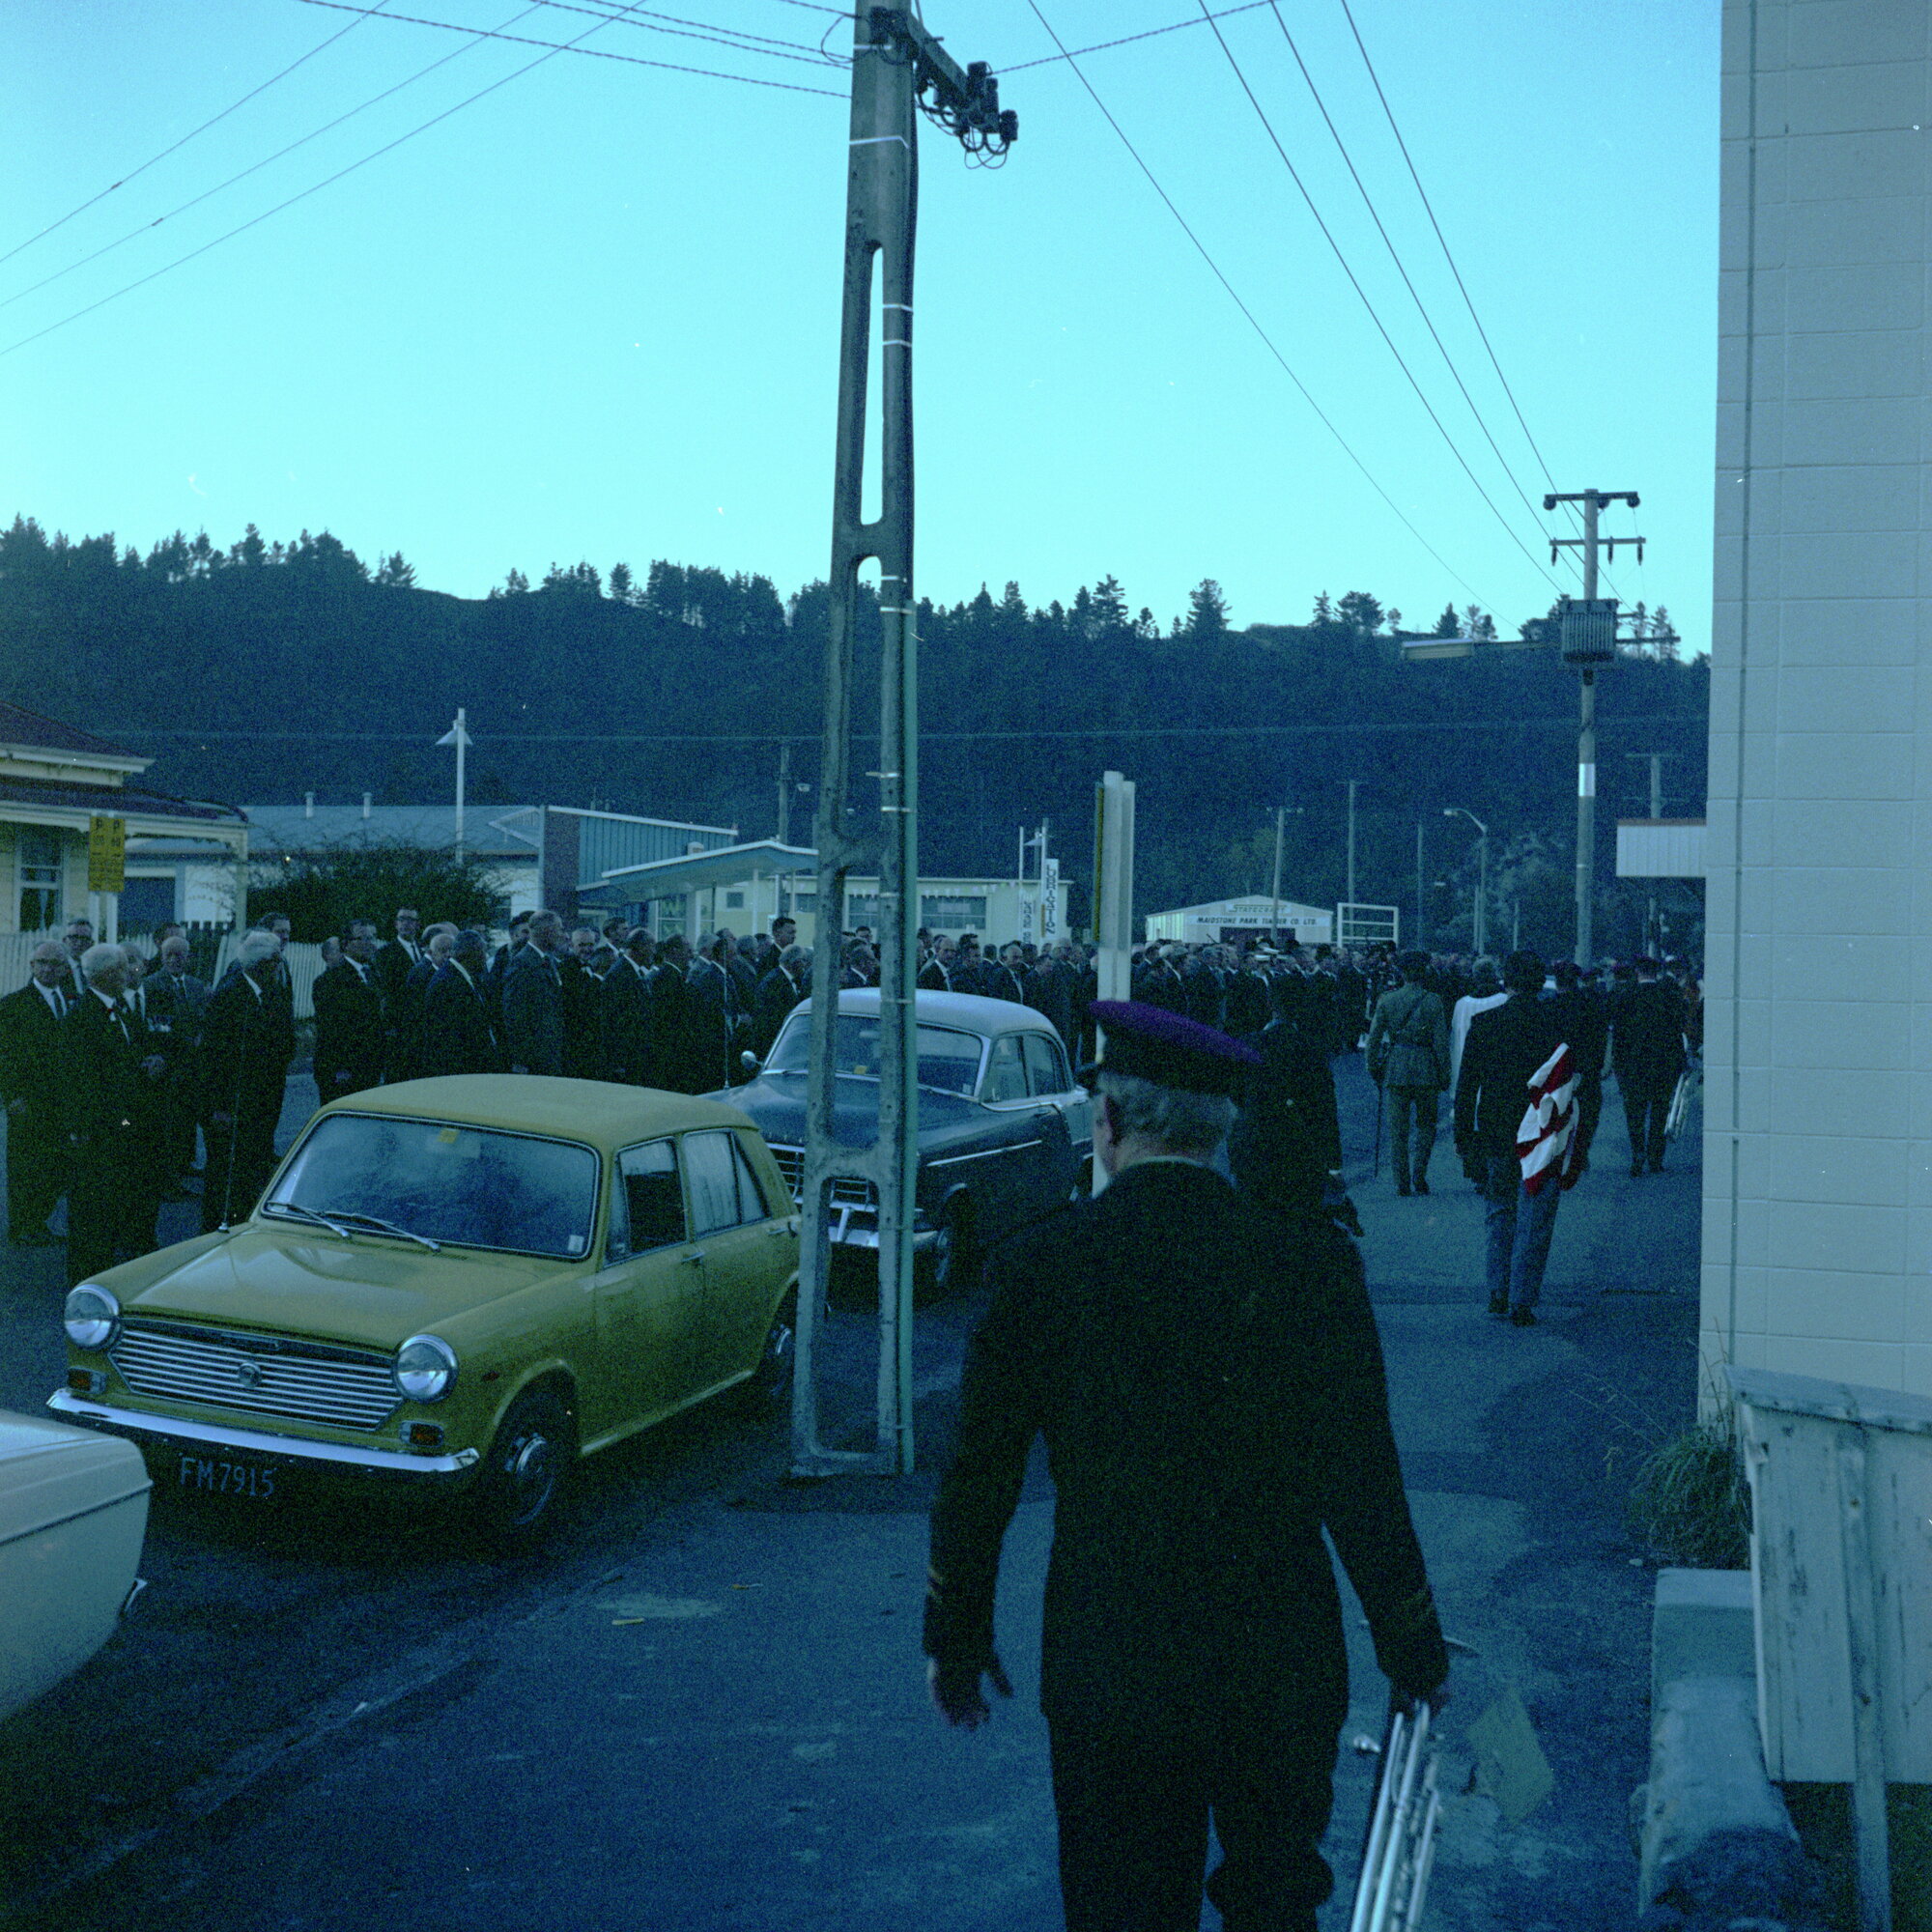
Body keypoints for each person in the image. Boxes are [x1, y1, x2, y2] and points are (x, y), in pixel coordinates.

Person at [926, 1001, 1448, 1932]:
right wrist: (1413, 1647)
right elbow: (1366, 1485)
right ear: (1223, 1132)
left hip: (1111, 1659)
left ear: (1111, 1123)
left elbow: (980, 1477)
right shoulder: (1312, 1271)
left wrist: (957, 1636)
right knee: (1276, 1902)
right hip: (1280, 1659)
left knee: (1120, 1906)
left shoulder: (1041, 1268)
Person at [1453, 951, 1577, 1325]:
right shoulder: (1556, 1023)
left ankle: (1497, 1290)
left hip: (1494, 1129)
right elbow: (1571, 1086)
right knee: (1536, 1216)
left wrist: (1464, 1140)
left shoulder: (1485, 1023)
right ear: (1541, 981)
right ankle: (1523, 1299)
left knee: (1499, 1210)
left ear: (1505, 980)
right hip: (1543, 1131)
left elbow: (1466, 1088)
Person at [61, 944, 166, 1285]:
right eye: (122, 968)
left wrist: (149, 1062)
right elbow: (81, 1080)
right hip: (105, 1127)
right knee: (94, 1205)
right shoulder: (83, 1016)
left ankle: (111, 1268)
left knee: (120, 1198)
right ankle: (88, 1277)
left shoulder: (120, 1008)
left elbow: (129, 1056)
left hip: (126, 1122)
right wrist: (93, 1127)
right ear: (105, 975)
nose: (130, 973)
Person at [199, 928, 297, 1232]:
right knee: (226, 1172)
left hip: (262, 1100)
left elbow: (283, 1041)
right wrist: (219, 1106)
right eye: (275, 962)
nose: (280, 968)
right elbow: (214, 1058)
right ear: (261, 964)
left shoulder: (272, 994)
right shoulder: (230, 995)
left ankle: (242, 1221)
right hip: (232, 1105)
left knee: (252, 1165)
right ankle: (217, 1226)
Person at [0, 940, 74, 1245]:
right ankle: (23, 1225)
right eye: (42, 962)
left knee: (57, 1164)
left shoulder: (71, 1001)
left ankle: (39, 1219)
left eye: (55, 963)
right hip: (28, 1101)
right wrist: (12, 1096)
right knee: (25, 1166)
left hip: (62, 1100)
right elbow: (3, 1055)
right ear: (31, 966)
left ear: (65, 968)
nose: (48, 968)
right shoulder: (13, 1004)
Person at [1366, 950, 1451, 1197]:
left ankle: (1401, 1180)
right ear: (1423, 973)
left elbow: (1373, 1041)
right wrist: (1444, 1074)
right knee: (1426, 1125)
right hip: (1426, 1068)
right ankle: (1419, 1175)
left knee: (1398, 1129)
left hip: (1397, 1066)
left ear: (1401, 972)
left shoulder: (1387, 1000)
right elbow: (1441, 1044)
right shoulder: (1433, 1001)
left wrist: (1374, 1069)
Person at [142, 933, 211, 1184]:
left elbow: (203, 1018)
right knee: (169, 1119)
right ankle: (168, 1174)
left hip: (193, 1063)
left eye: (179, 955)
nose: (174, 960)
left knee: (188, 1115)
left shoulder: (196, 985)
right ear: (161, 957)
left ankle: (185, 1162)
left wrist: (201, 1036)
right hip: (168, 1063)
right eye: (169, 955)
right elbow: (153, 1026)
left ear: (188, 957)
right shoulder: (151, 985)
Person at [1612, 956, 1689, 1177]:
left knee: (1635, 1113)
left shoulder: (1626, 996)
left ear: (1637, 972)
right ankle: (1656, 1157)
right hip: (1663, 1065)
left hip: (1634, 1066)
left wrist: (1619, 1065)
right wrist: (1679, 1061)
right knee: (1659, 1111)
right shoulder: (1668, 996)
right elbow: (1677, 1031)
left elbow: (1619, 1035)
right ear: (1656, 973)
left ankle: (1637, 1154)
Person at [312, 919, 387, 1101]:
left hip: (369, 1067)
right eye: (363, 939)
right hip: (344, 1073)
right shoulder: (330, 981)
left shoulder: (372, 975)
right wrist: (339, 1068)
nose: (370, 944)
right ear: (346, 944)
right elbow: (330, 1030)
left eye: (372, 938)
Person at [421, 930, 499, 1076]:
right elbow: (448, 1036)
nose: (486, 957)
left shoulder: (466, 978)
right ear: (467, 953)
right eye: (482, 951)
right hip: (458, 1071)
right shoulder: (446, 983)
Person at [501, 911, 566, 1076]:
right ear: (546, 930)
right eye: (559, 929)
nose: (563, 934)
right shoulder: (522, 964)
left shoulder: (548, 960)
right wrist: (520, 1059)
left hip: (549, 1052)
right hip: (534, 1058)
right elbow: (515, 1015)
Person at [601, 927, 657, 1085]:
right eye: (651, 946)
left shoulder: (635, 973)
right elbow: (614, 1021)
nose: (654, 952)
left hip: (638, 1057)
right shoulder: (619, 975)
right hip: (627, 1060)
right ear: (640, 947)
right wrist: (618, 1061)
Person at [1447, 955, 1507, 1099]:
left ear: (1474, 976)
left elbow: (1455, 1039)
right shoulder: (1505, 1000)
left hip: (1466, 1068)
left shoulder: (1462, 1004)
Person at [650, 933, 701, 1094]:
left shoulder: (673, 976)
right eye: (687, 950)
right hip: (671, 1052)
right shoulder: (667, 979)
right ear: (674, 951)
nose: (691, 954)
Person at [558, 925, 606, 1081]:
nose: (587, 949)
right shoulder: (565, 969)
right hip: (575, 1045)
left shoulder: (592, 966)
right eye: (582, 945)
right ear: (571, 946)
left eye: (590, 945)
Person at [752, 943, 810, 1059]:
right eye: (804, 961)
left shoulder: (787, 980)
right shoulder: (774, 982)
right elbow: (773, 1016)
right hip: (773, 1042)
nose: (805, 965)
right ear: (795, 962)